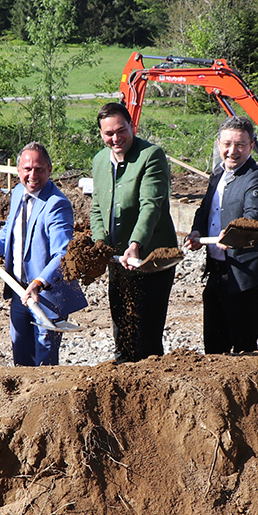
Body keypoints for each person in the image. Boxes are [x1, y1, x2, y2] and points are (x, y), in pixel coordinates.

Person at [0, 142, 87, 365]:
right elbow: (8, 231)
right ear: (18, 171)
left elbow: (63, 253)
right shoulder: (17, 192)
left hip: (46, 294)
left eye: (39, 169)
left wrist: (39, 282)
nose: (33, 175)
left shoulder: (57, 204)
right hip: (18, 289)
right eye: (27, 169)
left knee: (44, 358)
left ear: (49, 170)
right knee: (20, 350)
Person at [90, 102, 178, 362]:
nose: (115, 138)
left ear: (132, 126)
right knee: (122, 325)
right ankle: (125, 373)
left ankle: (151, 383)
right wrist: (99, 243)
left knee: (146, 331)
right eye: (108, 133)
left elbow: (150, 205)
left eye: (121, 131)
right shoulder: (99, 161)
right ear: (101, 134)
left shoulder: (151, 156)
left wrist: (136, 243)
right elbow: (97, 207)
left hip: (150, 259)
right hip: (119, 261)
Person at [183, 116, 258, 354]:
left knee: (243, 348)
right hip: (217, 271)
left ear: (251, 146)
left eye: (240, 145)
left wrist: (232, 233)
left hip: (244, 275)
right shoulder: (218, 173)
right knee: (214, 347)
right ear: (219, 144)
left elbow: (254, 216)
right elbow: (205, 209)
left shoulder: (255, 176)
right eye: (227, 144)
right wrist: (197, 231)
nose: (232, 151)